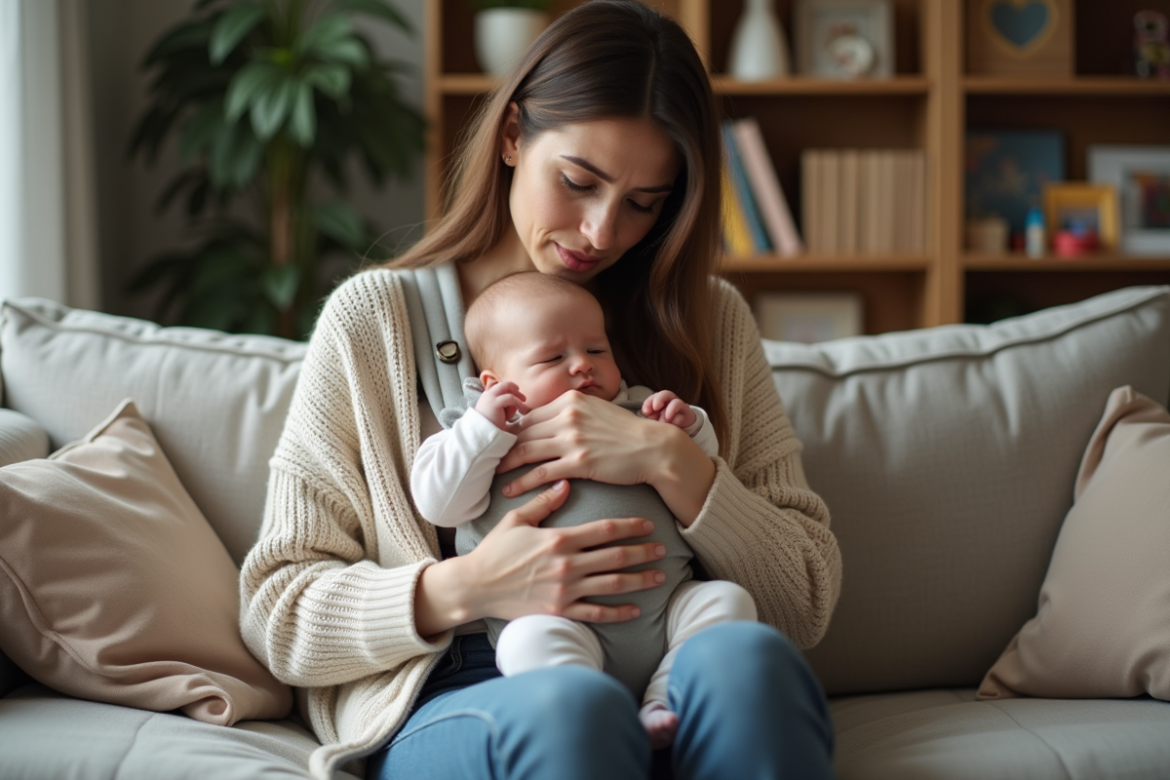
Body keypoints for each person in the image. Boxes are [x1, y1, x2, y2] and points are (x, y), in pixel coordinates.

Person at [239, 1, 842, 778]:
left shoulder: (709, 320)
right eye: (579, 182)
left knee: (751, 663)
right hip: (474, 690)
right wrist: (471, 585)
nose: (602, 232)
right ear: (513, 135)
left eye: (643, 204)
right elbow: (280, 611)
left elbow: (803, 600)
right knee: (573, 711)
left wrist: (672, 461)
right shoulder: (376, 321)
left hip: (672, 665)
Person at [410, 270, 756, 749]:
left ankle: (664, 700)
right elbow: (439, 504)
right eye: (554, 357)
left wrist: (687, 428)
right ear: (495, 382)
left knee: (727, 602)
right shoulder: (477, 436)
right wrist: (482, 429)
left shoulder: (638, 410)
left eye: (596, 349)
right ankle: (594, 716)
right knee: (526, 642)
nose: (582, 366)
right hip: (558, 620)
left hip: (665, 610)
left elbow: (708, 465)